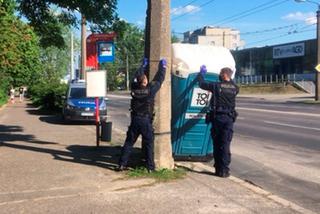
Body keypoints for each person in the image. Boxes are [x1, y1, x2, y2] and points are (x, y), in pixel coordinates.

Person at [117, 58, 167, 172]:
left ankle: (121, 164)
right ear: (145, 82)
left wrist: (142, 66)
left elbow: (136, 76)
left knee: (129, 143)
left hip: (135, 120)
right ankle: (150, 168)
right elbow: (160, 79)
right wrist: (162, 67)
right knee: (149, 144)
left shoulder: (134, 88)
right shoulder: (150, 90)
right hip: (145, 121)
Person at [198, 66, 239, 178]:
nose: (219, 76)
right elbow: (232, 85)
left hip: (218, 119)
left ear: (224, 74)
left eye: (220, 74)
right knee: (225, 144)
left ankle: (218, 169)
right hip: (229, 119)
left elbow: (201, 84)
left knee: (217, 144)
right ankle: (224, 170)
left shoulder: (216, 86)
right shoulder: (235, 87)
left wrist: (201, 74)